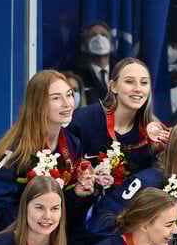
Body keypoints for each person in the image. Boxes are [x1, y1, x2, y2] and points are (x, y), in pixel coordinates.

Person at [0, 70, 95, 233]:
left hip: (57, 237)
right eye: (56, 98)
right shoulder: (15, 150)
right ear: (38, 105)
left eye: (69, 95)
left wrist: (77, 194)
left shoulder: (72, 144)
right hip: (16, 239)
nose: (67, 103)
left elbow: (64, 211)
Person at [66, 57, 162, 212]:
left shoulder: (151, 132)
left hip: (125, 219)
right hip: (77, 218)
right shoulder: (83, 121)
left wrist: (165, 152)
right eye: (129, 82)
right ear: (113, 87)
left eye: (144, 83)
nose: (138, 88)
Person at [73, 21, 118, 106]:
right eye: (93, 35)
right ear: (84, 46)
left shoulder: (122, 71)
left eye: (104, 35)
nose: (99, 39)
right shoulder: (76, 75)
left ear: (112, 46)